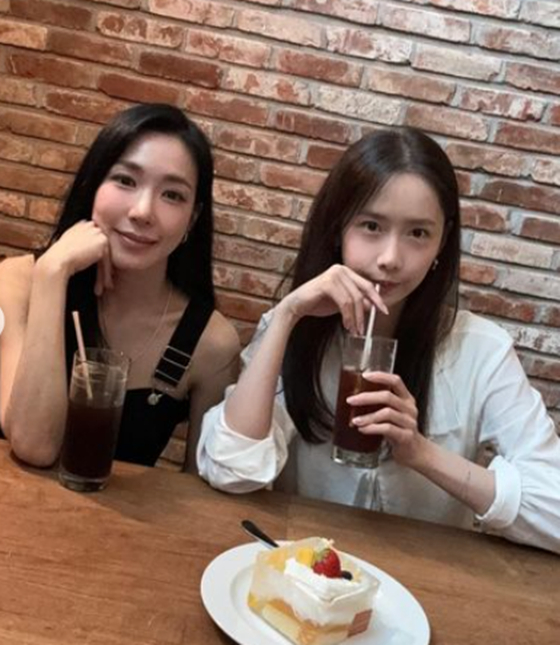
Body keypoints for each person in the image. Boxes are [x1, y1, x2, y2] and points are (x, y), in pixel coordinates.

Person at [197, 127, 560, 553]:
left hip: (427, 580)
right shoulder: (296, 332)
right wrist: (287, 315)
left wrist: (420, 453)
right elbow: (230, 469)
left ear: (442, 242)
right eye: (371, 226)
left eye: (418, 233)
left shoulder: (482, 350)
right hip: (305, 576)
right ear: (339, 229)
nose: (390, 258)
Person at [0, 103, 240, 472]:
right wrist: (52, 273)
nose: (143, 211)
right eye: (126, 181)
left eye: (172, 195)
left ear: (192, 219)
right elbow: (34, 445)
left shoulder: (211, 343)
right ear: (93, 186)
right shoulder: (15, 282)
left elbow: (199, 494)